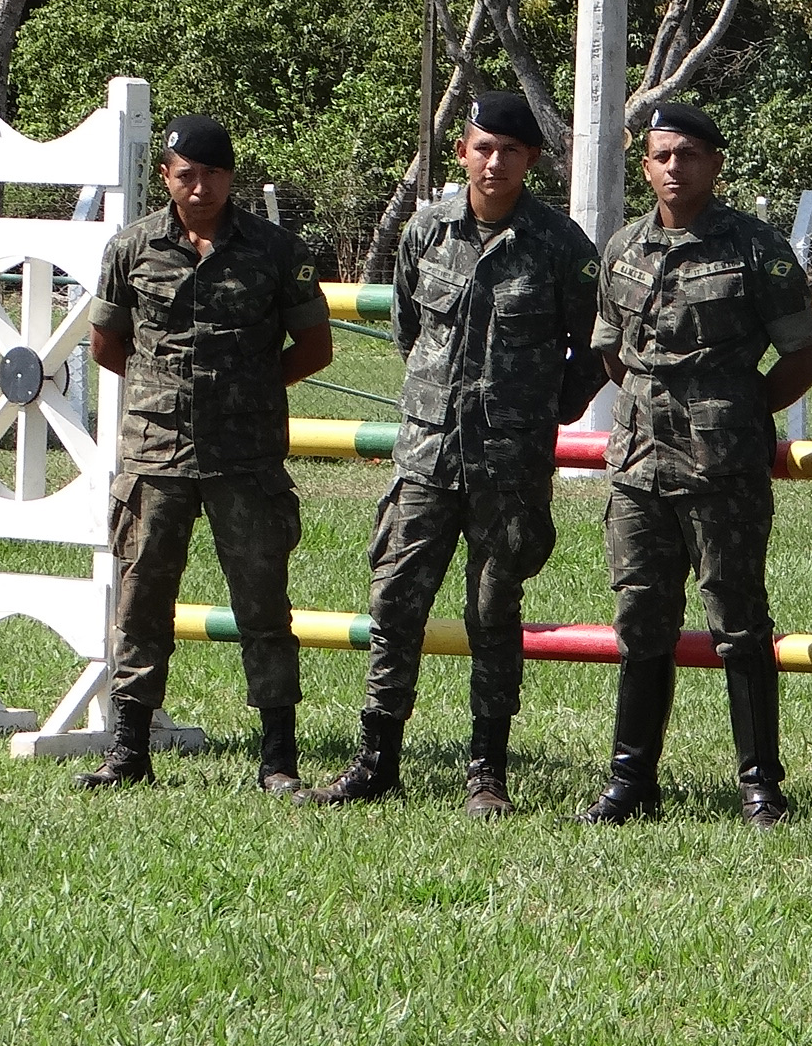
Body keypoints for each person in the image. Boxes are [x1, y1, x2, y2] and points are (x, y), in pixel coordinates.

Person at [306, 94, 602, 812]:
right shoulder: (428, 231)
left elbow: (595, 343)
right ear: (463, 152)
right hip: (426, 458)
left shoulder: (560, 246)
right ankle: (376, 759)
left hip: (510, 461)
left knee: (493, 610)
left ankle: (487, 772)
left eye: (509, 150)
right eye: (482, 146)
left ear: (531, 160)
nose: (494, 161)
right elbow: (411, 329)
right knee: (395, 601)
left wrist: (550, 406)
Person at [583, 101, 812, 826]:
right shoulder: (623, 247)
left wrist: (738, 413)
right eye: (661, 156)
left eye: (689, 154)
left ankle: (759, 786)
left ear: (714, 164)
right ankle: (630, 782)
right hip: (638, 467)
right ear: (647, 165)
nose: (674, 168)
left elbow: (804, 356)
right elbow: (611, 351)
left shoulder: (756, 248)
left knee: (739, 622)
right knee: (641, 620)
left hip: (722, 469)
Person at [80, 114, 335, 792]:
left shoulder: (278, 251)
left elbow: (314, 347)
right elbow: (106, 344)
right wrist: (170, 393)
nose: (200, 187)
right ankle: (128, 750)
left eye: (213, 174)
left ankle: (278, 759)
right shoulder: (132, 248)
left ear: (232, 176)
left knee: (263, 607)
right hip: (155, 454)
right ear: (165, 175)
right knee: (141, 600)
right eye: (187, 174)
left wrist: (249, 389)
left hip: (245, 458)